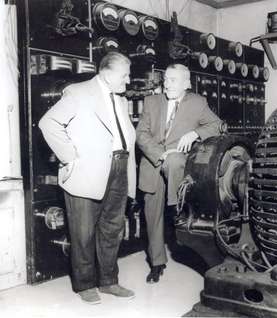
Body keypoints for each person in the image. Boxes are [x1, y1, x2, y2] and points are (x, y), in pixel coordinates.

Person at [39, 51, 136, 304]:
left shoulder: (121, 100)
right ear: (108, 72)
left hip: (119, 166)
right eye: (124, 75)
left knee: (112, 229)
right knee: (82, 232)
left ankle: (109, 281)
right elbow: (48, 123)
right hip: (86, 171)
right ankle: (84, 284)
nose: (128, 80)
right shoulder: (78, 92)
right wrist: (69, 157)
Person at [136, 63, 222, 283]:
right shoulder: (151, 102)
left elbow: (218, 126)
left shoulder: (198, 103)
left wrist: (195, 133)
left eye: (174, 80)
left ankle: (178, 210)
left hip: (177, 167)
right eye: (166, 79)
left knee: (174, 163)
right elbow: (141, 135)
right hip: (153, 164)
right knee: (152, 217)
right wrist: (159, 154)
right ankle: (156, 263)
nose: (168, 83)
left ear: (187, 83)